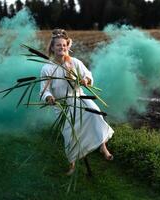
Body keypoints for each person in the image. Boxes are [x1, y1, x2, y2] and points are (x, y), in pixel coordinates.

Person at [40, 29, 114, 175]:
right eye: (58, 46)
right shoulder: (47, 68)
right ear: (52, 48)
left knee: (96, 114)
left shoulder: (74, 62)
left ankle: (102, 146)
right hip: (62, 105)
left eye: (64, 45)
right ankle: (72, 164)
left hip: (79, 98)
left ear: (67, 46)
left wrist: (86, 80)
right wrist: (49, 98)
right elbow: (44, 90)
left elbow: (88, 75)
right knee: (70, 133)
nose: (61, 48)